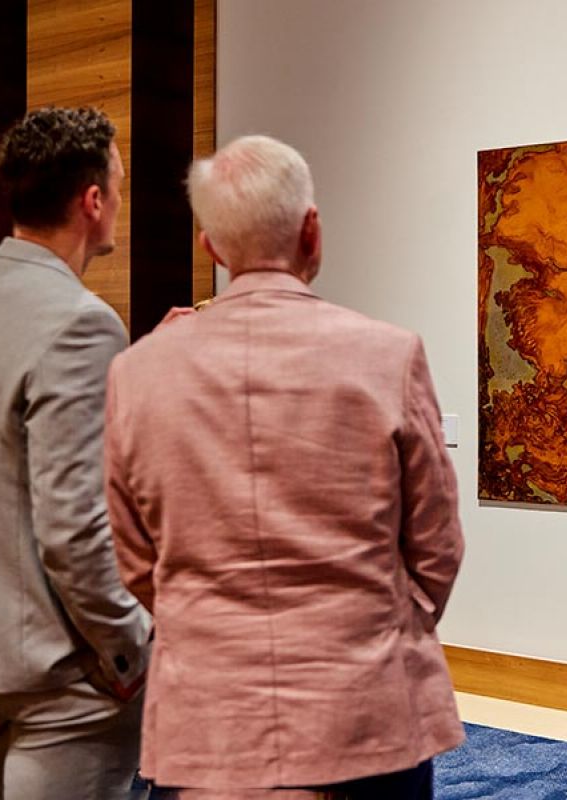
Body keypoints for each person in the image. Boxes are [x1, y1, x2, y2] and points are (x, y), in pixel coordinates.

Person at [103, 135, 465, 799]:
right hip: (364, 709)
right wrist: (386, 624)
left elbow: (134, 557)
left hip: (207, 713)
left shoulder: (137, 372)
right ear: (311, 230)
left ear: (211, 247)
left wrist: (206, 618)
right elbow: (436, 544)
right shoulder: (388, 355)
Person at [0, 107, 152, 800]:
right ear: (93, 200)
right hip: (62, 663)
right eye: (119, 184)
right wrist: (129, 649)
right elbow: (74, 528)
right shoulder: (81, 322)